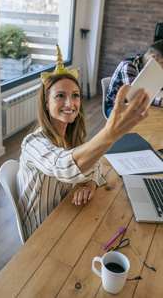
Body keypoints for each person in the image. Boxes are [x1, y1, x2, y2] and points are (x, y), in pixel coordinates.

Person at [17, 44, 149, 241]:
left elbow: (94, 163)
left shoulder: (70, 137)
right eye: (60, 96)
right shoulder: (33, 143)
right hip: (41, 231)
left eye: (75, 95)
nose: (70, 104)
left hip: (64, 214)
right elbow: (64, 166)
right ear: (46, 103)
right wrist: (110, 134)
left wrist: (90, 184)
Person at [105, 40, 163, 118]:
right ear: (153, 57)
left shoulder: (149, 67)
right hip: (115, 107)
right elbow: (135, 97)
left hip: (134, 105)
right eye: (162, 63)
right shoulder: (128, 66)